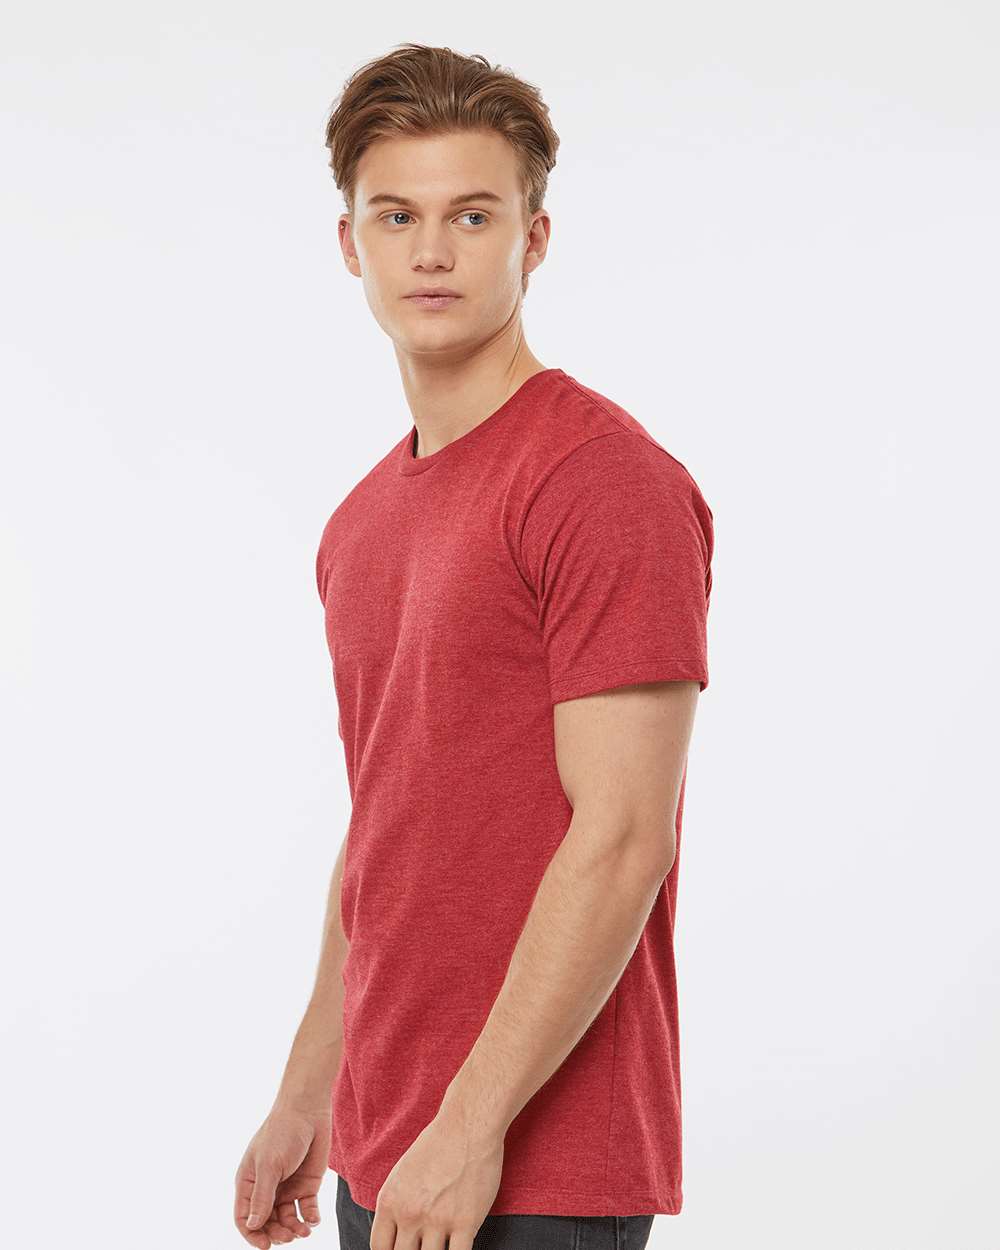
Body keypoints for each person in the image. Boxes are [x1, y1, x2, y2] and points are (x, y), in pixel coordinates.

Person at [234, 41, 715, 1250]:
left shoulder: (600, 482)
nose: (431, 251)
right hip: (385, 1145)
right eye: (395, 215)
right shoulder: (359, 522)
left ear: (532, 239)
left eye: (472, 215)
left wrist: (469, 1124)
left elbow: (622, 835)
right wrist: (307, 1095)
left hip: (530, 1161)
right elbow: (386, 825)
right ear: (350, 242)